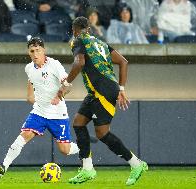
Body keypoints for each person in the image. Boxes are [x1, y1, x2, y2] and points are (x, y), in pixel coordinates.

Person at [53, 17, 148, 186]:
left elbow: (79, 62)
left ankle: (136, 164)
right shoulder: (101, 43)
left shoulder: (77, 40)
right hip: (98, 91)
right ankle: (87, 169)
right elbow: (123, 62)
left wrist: (66, 84)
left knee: (102, 133)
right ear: (88, 29)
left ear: (74, 30)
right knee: (78, 123)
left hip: (103, 91)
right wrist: (122, 89)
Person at [0, 37, 80, 178]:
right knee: (23, 136)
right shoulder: (28, 68)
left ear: (43, 50)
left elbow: (68, 85)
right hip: (39, 112)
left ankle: (83, 147)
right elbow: (32, 84)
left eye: (37, 50)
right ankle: (4, 166)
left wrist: (59, 95)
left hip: (58, 114)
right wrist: (30, 97)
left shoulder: (54, 65)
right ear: (29, 52)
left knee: (65, 149)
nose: (35, 54)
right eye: (32, 51)